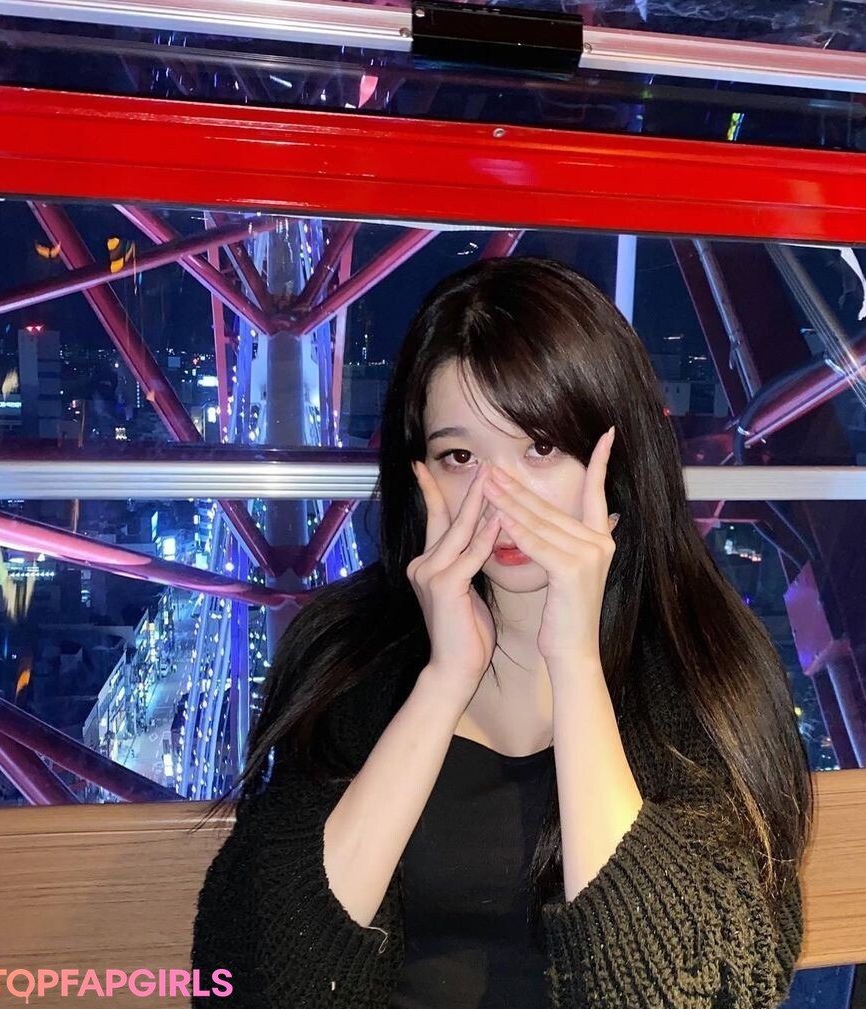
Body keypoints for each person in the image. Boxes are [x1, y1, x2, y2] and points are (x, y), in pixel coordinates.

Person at [189, 255, 814, 1008]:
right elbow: (252, 981)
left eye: (538, 447)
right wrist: (443, 680)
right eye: (460, 456)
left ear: (613, 455)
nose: (498, 498)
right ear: (419, 473)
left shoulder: (706, 667)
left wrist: (575, 661)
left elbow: (698, 992)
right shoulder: (344, 654)